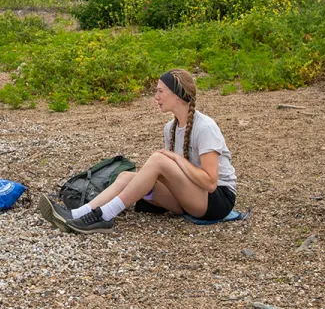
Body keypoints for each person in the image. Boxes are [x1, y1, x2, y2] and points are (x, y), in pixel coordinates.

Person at [39, 68, 237, 234]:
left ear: (177, 94)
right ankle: (78, 214)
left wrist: (175, 159)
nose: (156, 97)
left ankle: (103, 215)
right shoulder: (171, 128)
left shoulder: (205, 127)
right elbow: (172, 176)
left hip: (216, 202)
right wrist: (147, 184)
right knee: (126, 176)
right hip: (190, 198)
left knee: (159, 159)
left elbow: (211, 183)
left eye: (160, 91)